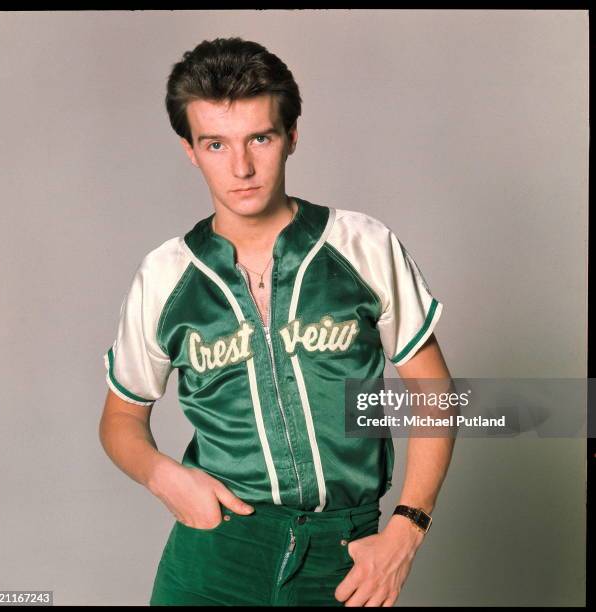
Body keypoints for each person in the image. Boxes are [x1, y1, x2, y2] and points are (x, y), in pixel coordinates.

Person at [98, 37, 455, 607]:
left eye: (259, 138)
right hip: (216, 550)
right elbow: (120, 417)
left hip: (346, 556)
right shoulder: (166, 276)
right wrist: (164, 476)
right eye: (215, 144)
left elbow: (433, 391)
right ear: (190, 149)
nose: (241, 167)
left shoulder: (361, 246)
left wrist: (408, 529)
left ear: (291, 135)